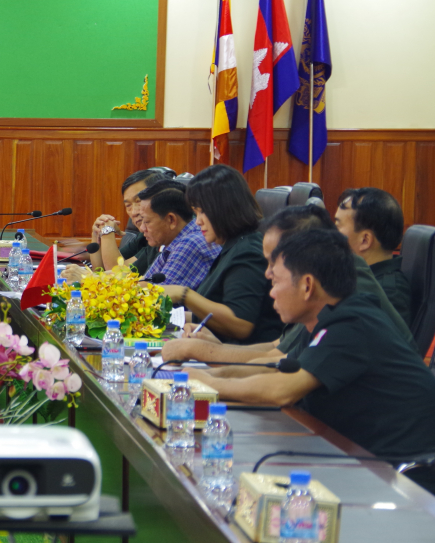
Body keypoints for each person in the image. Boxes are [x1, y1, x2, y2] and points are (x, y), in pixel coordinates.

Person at [184, 230, 435, 494]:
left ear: (306, 285)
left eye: (276, 282)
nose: (271, 294)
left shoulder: (353, 324)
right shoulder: (324, 321)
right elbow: (273, 368)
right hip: (363, 462)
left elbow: (281, 390)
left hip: (408, 479)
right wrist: (213, 374)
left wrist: (208, 383)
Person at [163, 204, 414, 364]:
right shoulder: (318, 281)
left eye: (274, 262)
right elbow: (276, 349)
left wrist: (202, 358)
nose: (268, 273)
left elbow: (280, 367)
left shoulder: (346, 283)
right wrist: (213, 348)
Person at [160, 164, 284, 345]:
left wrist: (183, 294)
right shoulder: (232, 246)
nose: (198, 222)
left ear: (224, 208)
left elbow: (240, 324)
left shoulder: (248, 252)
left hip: (244, 361)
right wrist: (160, 317)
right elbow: (212, 312)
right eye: (195, 213)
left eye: (202, 212)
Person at [335, 188, 412, 326]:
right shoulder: (355, 277)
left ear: (365, 240)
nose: (331, 234)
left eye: (337, 226)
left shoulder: (388, 294)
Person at [79, 169, 166, 277]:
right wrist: (96, 233)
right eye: (128, 205)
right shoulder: (145, 237)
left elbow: (116, 273)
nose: (134, 212)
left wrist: (107, 230)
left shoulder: (163, 238)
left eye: (138, 201)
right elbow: (100, 270)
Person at [136, 180, 220, 288]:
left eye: (146, 221)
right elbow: (143, 284)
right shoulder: (174, 242)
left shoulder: (191, 243)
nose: (142, 228)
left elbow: (157, 298)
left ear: (171, 220)